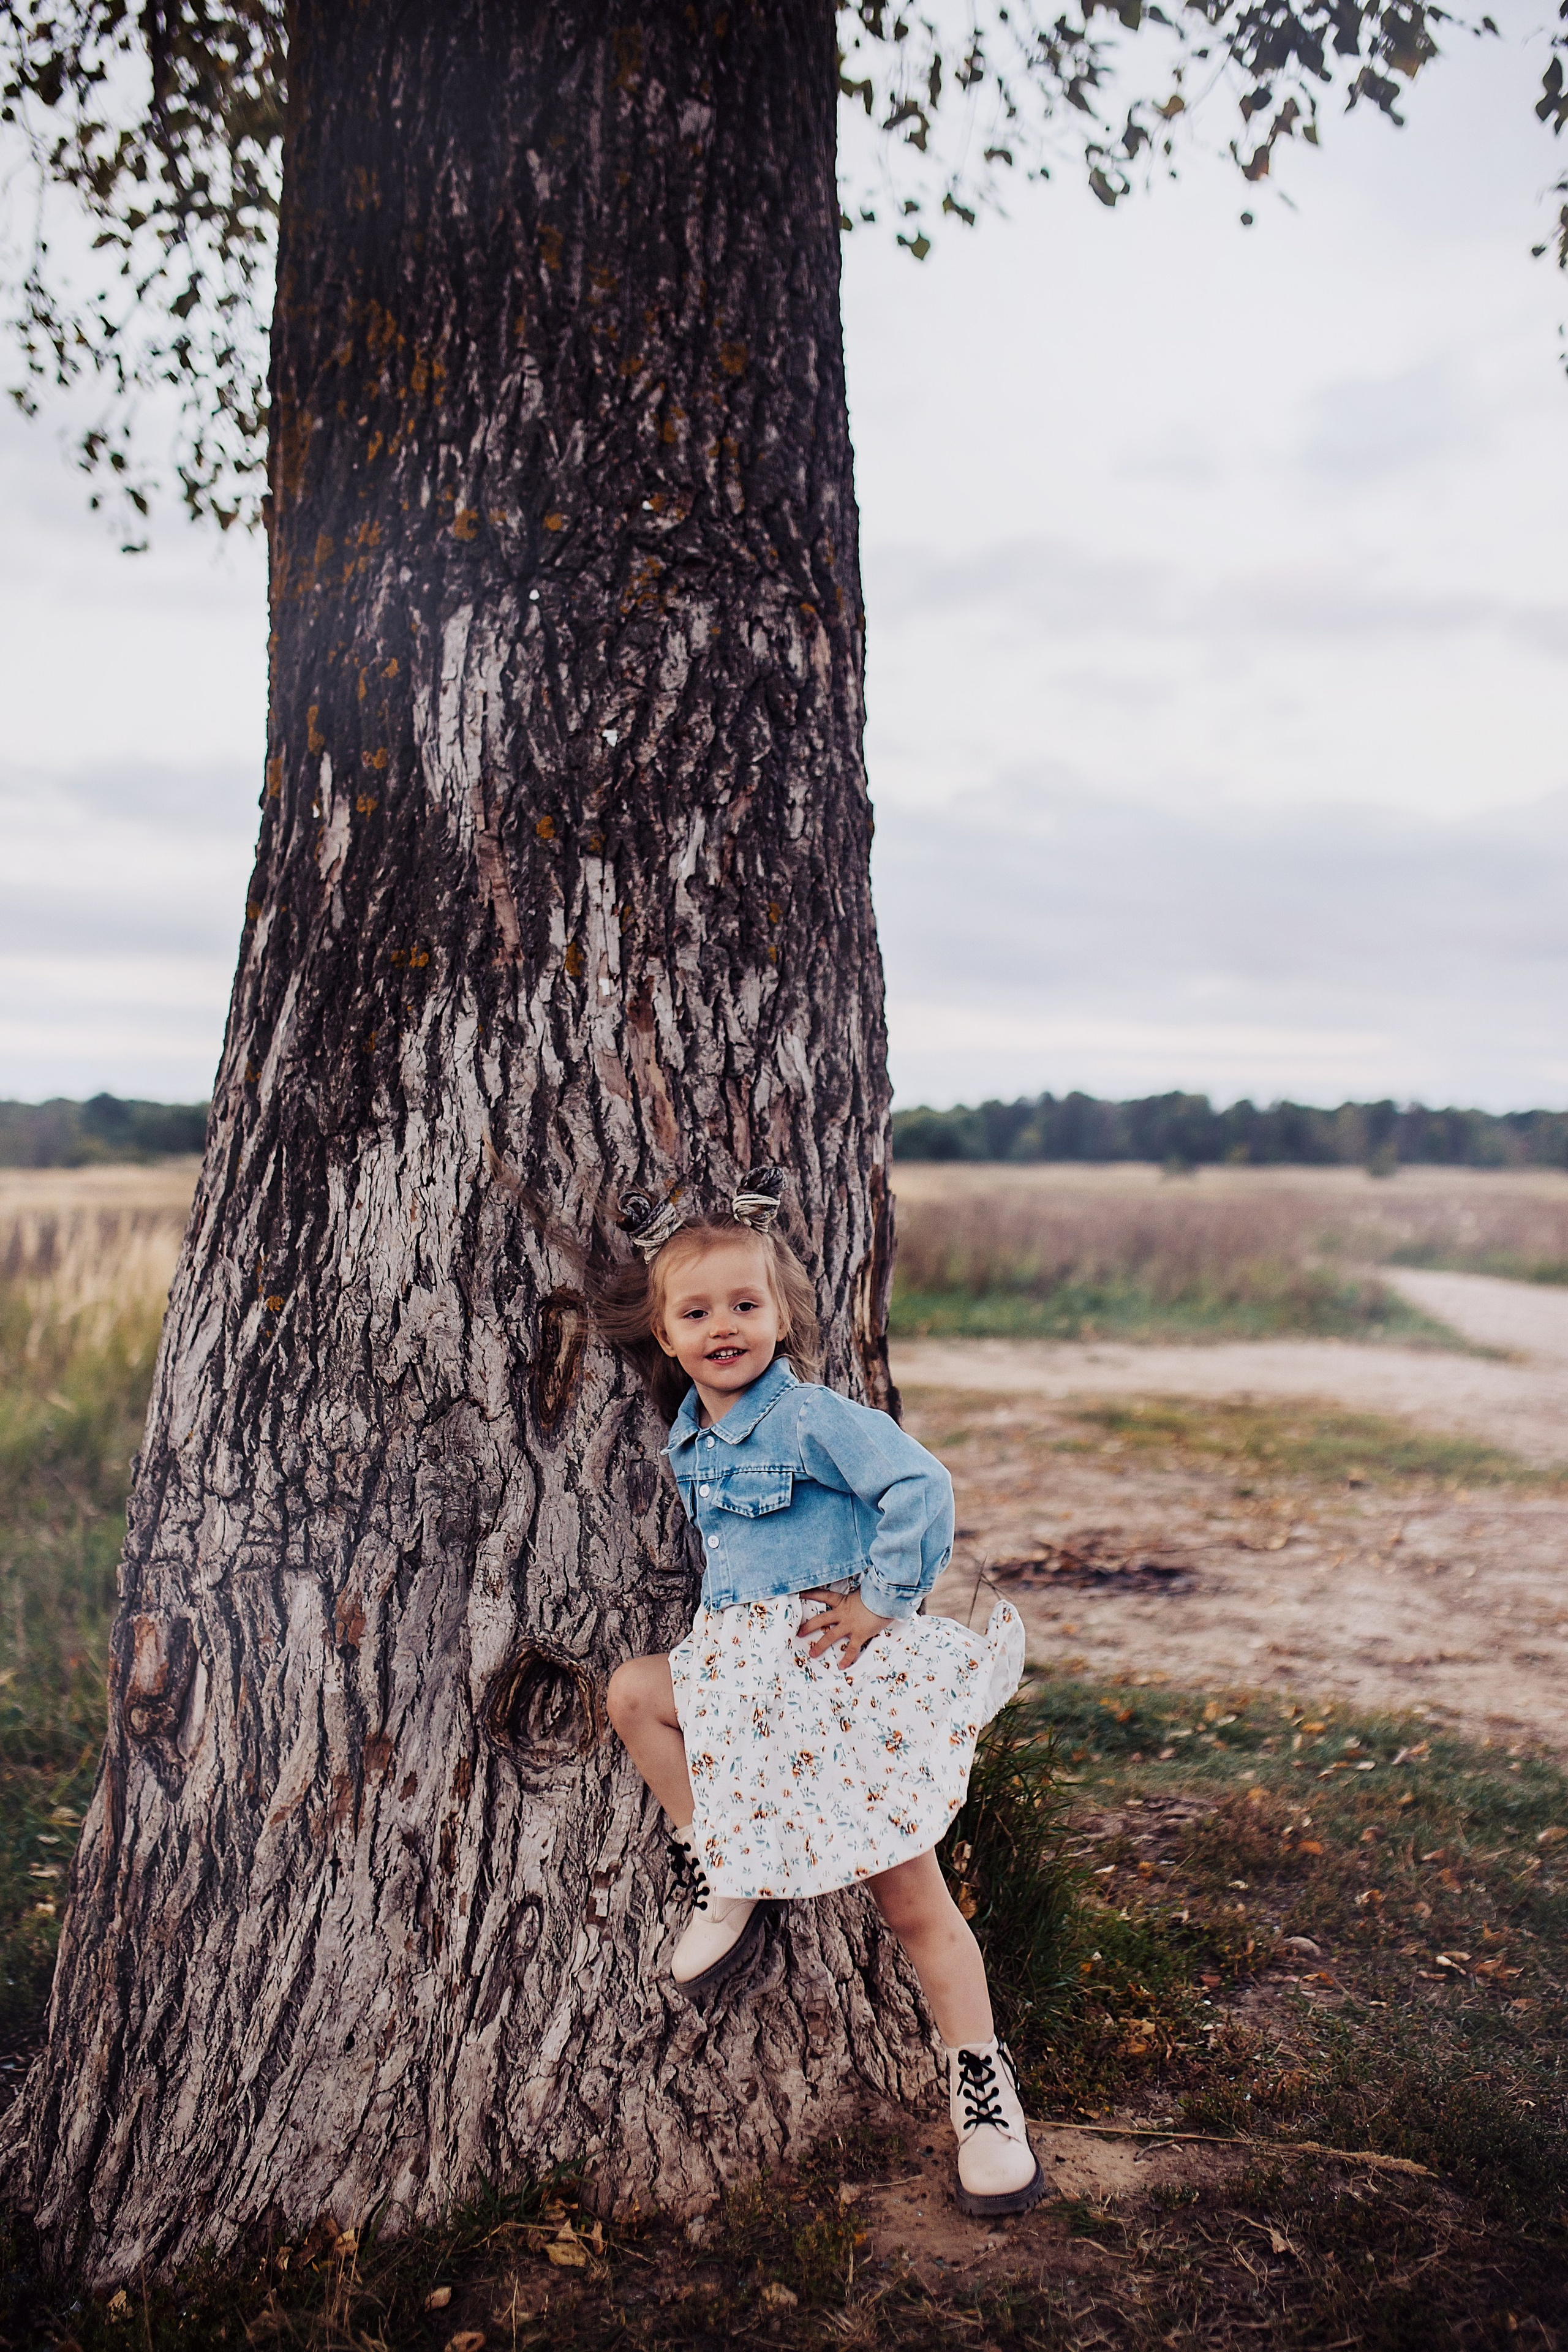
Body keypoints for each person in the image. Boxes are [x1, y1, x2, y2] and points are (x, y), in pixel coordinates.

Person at [601, 1167, 1044, 2219]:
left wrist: (883, 1603)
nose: (724, 1328)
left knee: (912, 1900)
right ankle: (726, 1859)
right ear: (664, 1334)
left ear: (782, 1316)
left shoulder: (807, 1419)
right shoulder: (692, 1436)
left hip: (833, 1688)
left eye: (745, 1306)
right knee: (633, 1696)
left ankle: (983, 2090)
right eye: (697, 1311)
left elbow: (919, 1486)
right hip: (747, 1692)